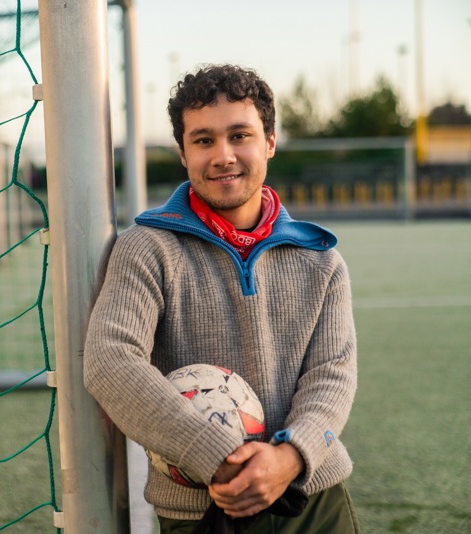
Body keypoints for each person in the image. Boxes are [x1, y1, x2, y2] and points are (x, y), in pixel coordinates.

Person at [83, 64, 359, 533]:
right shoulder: (147, 248)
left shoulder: (321, 261)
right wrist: (218, 458)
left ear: (269, 142)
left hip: (312, 497)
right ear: (183, 152)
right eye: (204, 140)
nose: (223, 155)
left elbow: (333, 377)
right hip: (203, 506)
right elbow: (110, 362)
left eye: (240, 135)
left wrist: (290, 458)